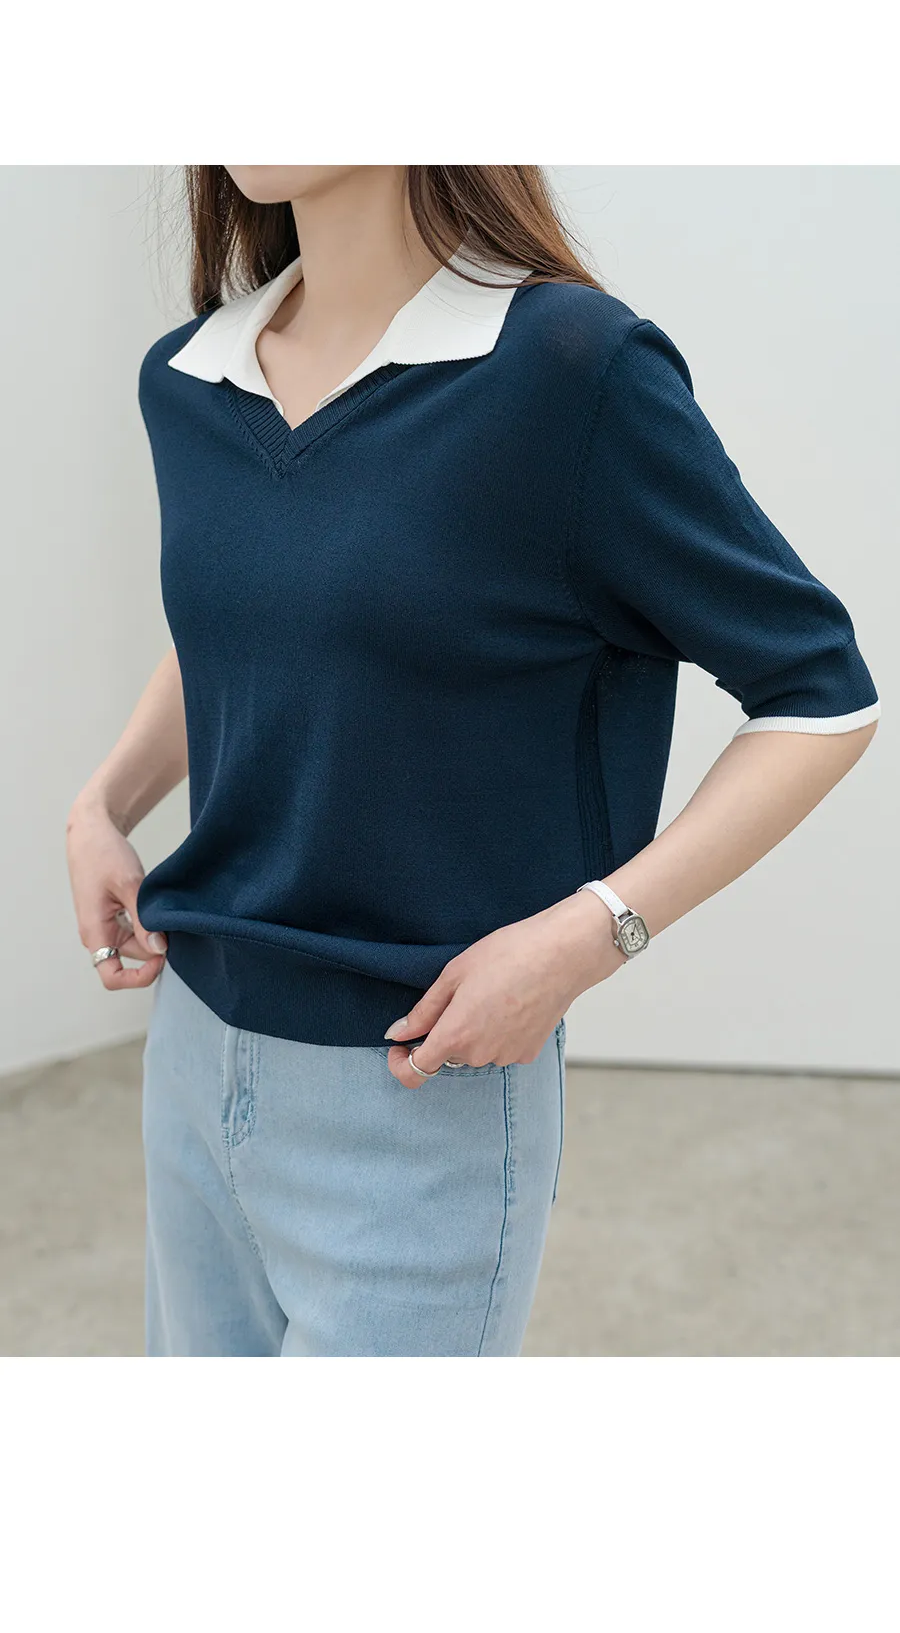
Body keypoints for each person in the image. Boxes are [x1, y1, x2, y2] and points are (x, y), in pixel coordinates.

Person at [65, 165, 881, 1357]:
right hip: (191, 1058)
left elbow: (821, 694)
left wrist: (589, 935)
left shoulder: (569, 370)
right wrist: (104, 802)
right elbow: (253, 623)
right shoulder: (188, 376)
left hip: (419, 1093)